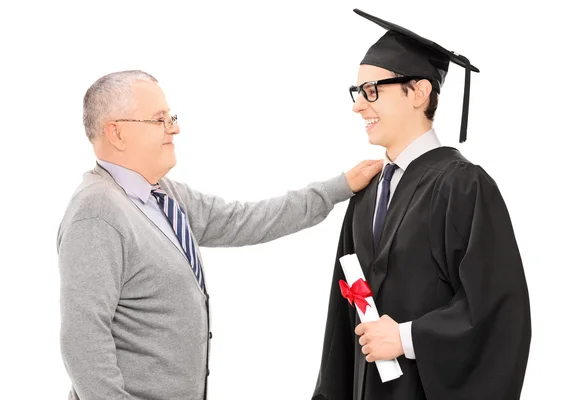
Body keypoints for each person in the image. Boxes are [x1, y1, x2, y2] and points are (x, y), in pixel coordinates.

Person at [56, 69, 383, 400]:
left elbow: (245, 219)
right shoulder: (97, 214)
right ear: (117, 133)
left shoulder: (165, 196)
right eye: (160, 120)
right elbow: (83, 341)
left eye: (172, 117)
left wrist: (337, 188)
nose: (175, 128)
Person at [312, 9, 531, 400]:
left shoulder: (462, 186)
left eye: (372, 90)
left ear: (418, 92)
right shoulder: (366, 193)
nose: (358, 106)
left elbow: (497, 313)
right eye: (357, 92)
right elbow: (341, 326)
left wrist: (406, 337)